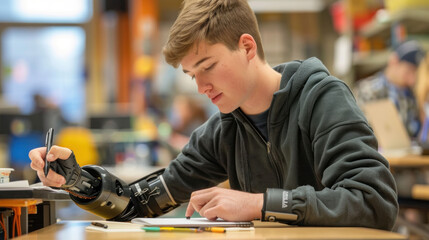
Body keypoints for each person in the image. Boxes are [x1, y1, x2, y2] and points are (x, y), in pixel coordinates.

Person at [29, 0, 398, 230]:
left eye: (208, 66)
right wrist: (79, 181)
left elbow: (373, 201)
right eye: (192, 75)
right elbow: (138, 203)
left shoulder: (323, 99)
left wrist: (258, 203)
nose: (200, 86)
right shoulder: (222, 130)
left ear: (247, 47)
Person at [354, 40, 425, 139]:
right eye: (409, 70)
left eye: (416, 73)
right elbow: (359, 132)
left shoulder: (413, 95)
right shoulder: (368, 91)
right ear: (394, 61)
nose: (412, 80)